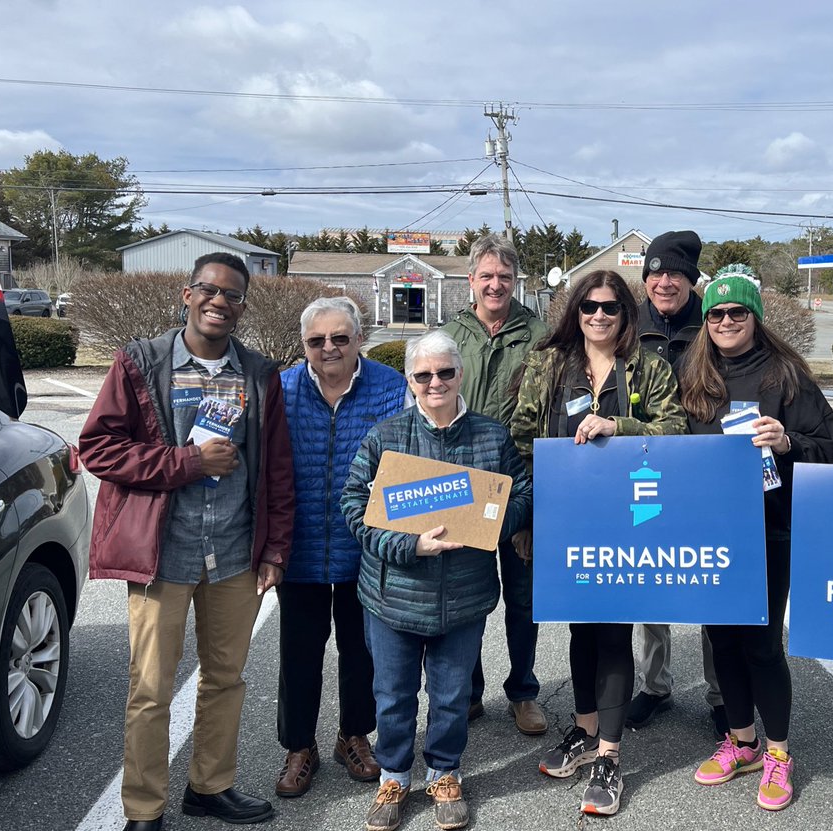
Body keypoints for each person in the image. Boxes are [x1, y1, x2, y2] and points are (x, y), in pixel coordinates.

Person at [79, 252, 295, 831]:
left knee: (225, 679)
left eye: (232, 295)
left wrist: (274, 549)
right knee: (149, 689)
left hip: (232, 554)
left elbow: (276, 468)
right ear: (186, 294)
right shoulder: (138, 363)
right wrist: (185, 462)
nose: (219, 302)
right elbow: (98, 449)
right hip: (161, 556)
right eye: (209, 290)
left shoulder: (257, 374)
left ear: (244, 307)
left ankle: (210, 786)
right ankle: (143, 810)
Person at [511, 270, 686, 816]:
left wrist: (619, 426)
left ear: (625, 313)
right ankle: (586, 732)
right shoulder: (548, 364)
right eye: (589, 307)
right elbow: (520, 439)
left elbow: (676, 432)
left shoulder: (650, 368)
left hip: (630, 523)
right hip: (564, 522)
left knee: (613, 632)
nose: (599, 316)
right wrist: (527, 519)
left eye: (610, 307)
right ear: (575, 311)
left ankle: (611, 755)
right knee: (581, 630)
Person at [340, 330, 531, 831]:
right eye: (423, 375)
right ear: (410, 380)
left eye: (445, 372)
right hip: (393, 597)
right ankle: (396, 775)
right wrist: (410, 545)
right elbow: (354, 507)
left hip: (463, 599)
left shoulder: (491, 436)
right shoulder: (386, 437)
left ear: (460, 374)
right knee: (393, 694)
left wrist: (490, 527)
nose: (435, 382)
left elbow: (523, 493)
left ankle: (445, 773)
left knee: (450, 697)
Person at [680, 271, 833, 811]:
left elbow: (828, 441)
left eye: (737, 314)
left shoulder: (785, 374)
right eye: (717, 315)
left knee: (763, 645)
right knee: (721, 639)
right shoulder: (694, 373)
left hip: (769, 527)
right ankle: (741, 741)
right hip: (710, 529)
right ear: (706, 323)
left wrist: (787, 440)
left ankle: (777, 752)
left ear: (755, 319)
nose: (726, 322)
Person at [274, 296, 408, 798]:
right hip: (301, 545)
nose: (328, 348)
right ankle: (298, 746)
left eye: (339, 338)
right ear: (304, 344)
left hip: (366, 547)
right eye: (316, 340)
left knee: (362, 650)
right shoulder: (281, 389)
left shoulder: (391, 387)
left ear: (359, 339)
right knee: (299, 652)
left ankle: (354, 736)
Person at [441, 233, 549, 736]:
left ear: (515, 281)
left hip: (521, 484)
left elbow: (548, 416)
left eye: (504, 276)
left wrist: (535, 503)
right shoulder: (451, 335)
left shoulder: (541, 335)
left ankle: (524, 691)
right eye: (486, 275)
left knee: (523, 599)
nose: (495, 284)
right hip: (464, 485)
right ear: (471, 281)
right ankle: (469, 690)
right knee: (468, 594)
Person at [628, 229, 726, 736]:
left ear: (692, 280)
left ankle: (719, 693)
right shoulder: (629, 325)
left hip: (700, 468)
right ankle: (656, 685)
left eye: (675, 274)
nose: (664, 282)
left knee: (708, 581)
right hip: (644, 466)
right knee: (650, 583)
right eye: (656, 273)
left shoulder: (713, 324)